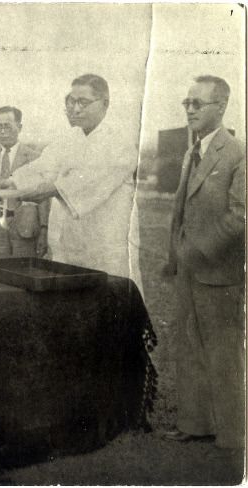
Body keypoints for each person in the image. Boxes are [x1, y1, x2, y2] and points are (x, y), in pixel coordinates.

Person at [162, 76, 245, 458]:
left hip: (219, 272)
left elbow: (240, 217)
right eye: (187, 102)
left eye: (199, 103)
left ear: (221, 108)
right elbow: (181, 210)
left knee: (224, 351)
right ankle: (194, 425)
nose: (190, 109)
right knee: (189, 346)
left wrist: (199, 251)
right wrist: (173, 256)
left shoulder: (238, 154)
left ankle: (233, 435)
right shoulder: (190, 150)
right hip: (187, 269)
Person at [0, 74, 143, 293]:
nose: (75, 109)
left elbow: (81, 184)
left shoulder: (120, 145)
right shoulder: (69, 139)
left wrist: (39, 191)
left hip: (105, 254)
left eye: (83, 102)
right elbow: (43, 167)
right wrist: (11, 182)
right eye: (71, 101)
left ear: (105, 104)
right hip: (68, 250)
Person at [0, 106, 50, 258]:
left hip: (25, 229)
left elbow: (44, 198)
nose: (2, 131)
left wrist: (44, 230)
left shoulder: (35, 158)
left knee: (24, 273)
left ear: (19, 127)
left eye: (7, 126)